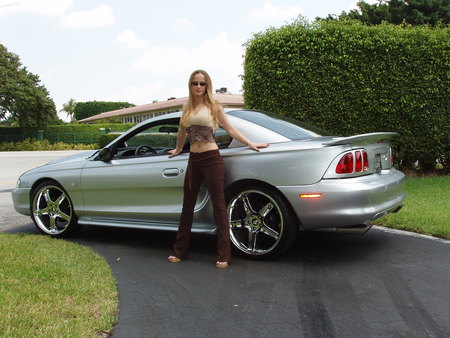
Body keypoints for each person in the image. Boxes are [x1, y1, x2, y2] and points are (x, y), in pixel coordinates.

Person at [167, 69, 269, 269]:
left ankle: (224, 255)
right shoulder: (186, 106)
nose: (198, 87)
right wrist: (179, 149)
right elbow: (182, 131)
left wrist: (250, 142)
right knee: (187, 206)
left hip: (212, 159)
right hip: (193, 160)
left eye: (202, 83)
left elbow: (230, 130)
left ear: (207, 86)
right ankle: (180, 251)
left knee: (219, 206)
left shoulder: (214, 106)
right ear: (190, 85)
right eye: (195, 83)